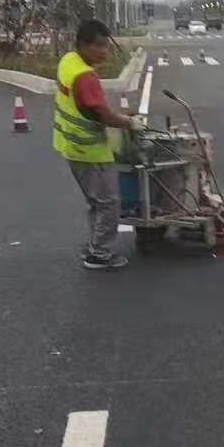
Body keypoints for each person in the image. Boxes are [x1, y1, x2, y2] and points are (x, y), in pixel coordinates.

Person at [53, 18, 142, 270]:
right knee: (109, 203)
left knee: (96, 202)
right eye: (99, 46)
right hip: (90, 150)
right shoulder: (84, 76)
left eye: (106, 45)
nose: (105, 51)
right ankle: (100, 253)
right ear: (83, 44)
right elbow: (101, 113)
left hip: (72, 146)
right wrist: (129, 123)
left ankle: (94, 245)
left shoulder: (68, 61)